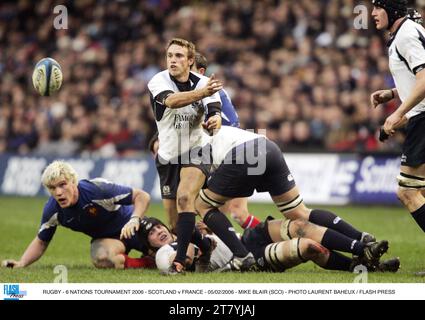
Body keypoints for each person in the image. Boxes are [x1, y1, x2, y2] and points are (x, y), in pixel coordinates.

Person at [195, 126, 390, 270]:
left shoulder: (188, 149)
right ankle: (363, 245)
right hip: (266, 146)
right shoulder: (214, 122)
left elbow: (227, 211)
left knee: (207, 206)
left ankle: (241, 256)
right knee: (300, 216)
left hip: (241, 156)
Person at [148, 38, 248, 274]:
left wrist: (213, 122)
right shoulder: (158, 80)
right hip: (168, 155)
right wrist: (202, 92)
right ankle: (206, 245)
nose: (173, 60)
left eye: (179, 56)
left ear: (190, 60)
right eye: (170, 55)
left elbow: (214, 116)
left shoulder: (205, 83)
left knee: (186, 199)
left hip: (197, 150)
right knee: (175, 224)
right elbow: (171, 101)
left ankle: (179, 262)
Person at [147, 53, 260, 230]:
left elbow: (216, 128)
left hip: (231, 153)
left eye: (189, 71)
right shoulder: (194, 94)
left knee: (222, 211)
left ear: (200, 72)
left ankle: (262, 239)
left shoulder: (209, 93)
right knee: (204, 210)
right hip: (222, 152)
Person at [1, 160, 155, 270]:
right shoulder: (53, 210)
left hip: (132, 228)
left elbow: (142, 196)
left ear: (73, 182)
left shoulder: (97, 190)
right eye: (52, 188)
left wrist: (134, 219)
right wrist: (21, 263)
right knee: (101, 257)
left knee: (168, 256)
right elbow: (41, 241)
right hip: (110, 240)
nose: (58, 192)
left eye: (62, 185)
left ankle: (155, 253)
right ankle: (145, 263)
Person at [370, 0, 425, 275]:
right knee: (421, 191)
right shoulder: (406, 33)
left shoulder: (406, 34)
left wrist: (397, 113)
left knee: (407, 191)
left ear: (391, 10)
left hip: (423, 119)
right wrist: (392, 93)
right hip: (420, 117)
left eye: (377, 8)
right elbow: (415, 76)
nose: (371, 14)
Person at [141, 216, 399, 274]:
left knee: (299, 224)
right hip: (248, 262)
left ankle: (360, 248)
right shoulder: (184, 263)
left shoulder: (183, 235)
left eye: (157, 227)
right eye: (151, 233)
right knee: (307, 247)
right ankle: (368, 267)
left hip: (247, 240)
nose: (158, 232)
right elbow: (201, 248)